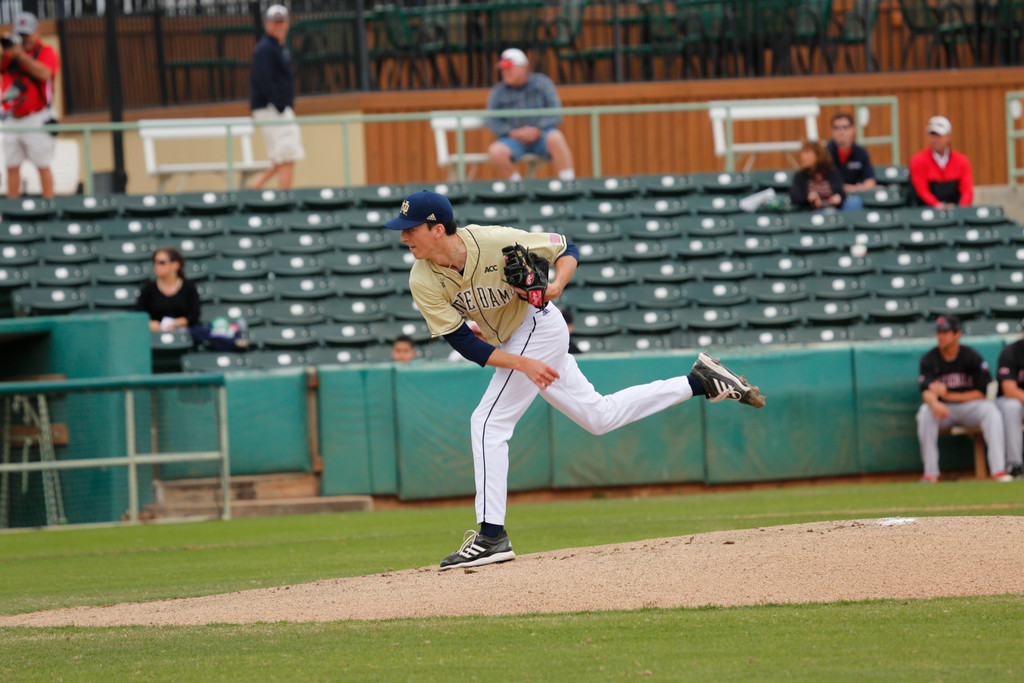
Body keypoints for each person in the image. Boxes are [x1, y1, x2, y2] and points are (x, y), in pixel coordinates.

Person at [383, 190, 765, 570]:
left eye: (409, 229)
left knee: (487, 422)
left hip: (540, 328)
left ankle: (491, 536)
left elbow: (569, 248)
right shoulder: (423, 279)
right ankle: (699, 381)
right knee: (599, 417)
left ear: (436, 229)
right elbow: (463, 342)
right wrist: (522, 363)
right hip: (518, 344)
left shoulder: (493, 240)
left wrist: (555, 286)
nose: (403, 237)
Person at [915, 314, 1012, 483]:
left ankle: (998, 470)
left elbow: (981, 393)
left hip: (969, 407)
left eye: (945, 332)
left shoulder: (971, 356)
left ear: (957, 334)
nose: (941, 336)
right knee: (924, 412)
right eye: (939, 332)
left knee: (991, 411)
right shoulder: (929, 358)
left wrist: (947, 395)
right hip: (944, 411)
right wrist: (934, 403)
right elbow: (926, 390)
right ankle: (931, 474)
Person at [486, 48, 574, 182]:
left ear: (523, 68)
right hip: (512, 139)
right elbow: (492, 120)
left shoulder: (542, 83)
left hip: (542, 134)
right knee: (495, 151)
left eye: (509, 68)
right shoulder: (498, 91)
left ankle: (568, 182)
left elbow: (556, 112)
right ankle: (516, 186)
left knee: (556, 137)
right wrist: (513, 133)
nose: (505, 73)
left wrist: (537, 129)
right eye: (503, 69)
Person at [1, 12, 61, 199]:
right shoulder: (10, 53)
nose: (25, 38)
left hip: (36, 118)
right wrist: (6, 49)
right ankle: (12, 209)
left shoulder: (46, 51)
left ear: (38, 32)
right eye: (21, 34)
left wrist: (22, 57)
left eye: (28, 33)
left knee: (42, 165)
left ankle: (48, 206)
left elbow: (45, 74)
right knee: (11, 166)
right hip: (11, 118)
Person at [249, 4, 304, 189]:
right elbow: (265, 80)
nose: (279, 26)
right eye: (275, 22)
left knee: (282, 156)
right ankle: (284, 198)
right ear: (267, 24)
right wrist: (280, 104)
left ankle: (252, 190)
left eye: (282, 22)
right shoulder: (266, 48)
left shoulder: (278, 47)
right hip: (272, 108)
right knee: (287, 154)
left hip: (276, 107)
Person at [909, 115, 973, 208]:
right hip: (928, 210)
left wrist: (960, 209)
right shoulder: (918, 160)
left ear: (948, 137)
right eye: (932, 135)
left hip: (955, 208)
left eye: (938, 136)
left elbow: (967, 191)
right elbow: (922, 190)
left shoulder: (962, 161)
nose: (935, 139)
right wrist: (939, 206)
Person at [134, 247, 202, 333]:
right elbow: (139, 313)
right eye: (155, 262)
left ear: (175, 265)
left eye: (162, 262)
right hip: (155, 335)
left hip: (184, 334)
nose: (156, 266)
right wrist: (150, 323)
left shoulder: (189, 287)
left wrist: (177, 322)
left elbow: (194, 315)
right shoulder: (148, 288)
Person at [825, 112, 875, 210]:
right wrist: (840, 189)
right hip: (830, 198)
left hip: (853, 197)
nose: (841, 131)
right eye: (836, 128)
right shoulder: (824, 153)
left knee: (854, 203)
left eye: (845, 127)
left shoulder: (861, 152)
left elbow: (870, 181)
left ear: (853, 129)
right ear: (832, 131)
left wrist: (855, 188)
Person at [996, 322, 1024, 479]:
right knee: (1012, 407)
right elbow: (1009, 390)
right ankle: (1015, 465)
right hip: (1008, 402)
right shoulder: (1011, 352)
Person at [789, 139, 846, 211]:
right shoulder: (800, 176)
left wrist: (838, 197)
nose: (803, 156)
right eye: (802, 153)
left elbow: (841, 193)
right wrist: (809, 198)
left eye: (807, 152)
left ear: (818, 154)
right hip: (811, 213)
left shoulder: (832, 173)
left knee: (854, 202)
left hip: (833, 209)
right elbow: (795, 197)